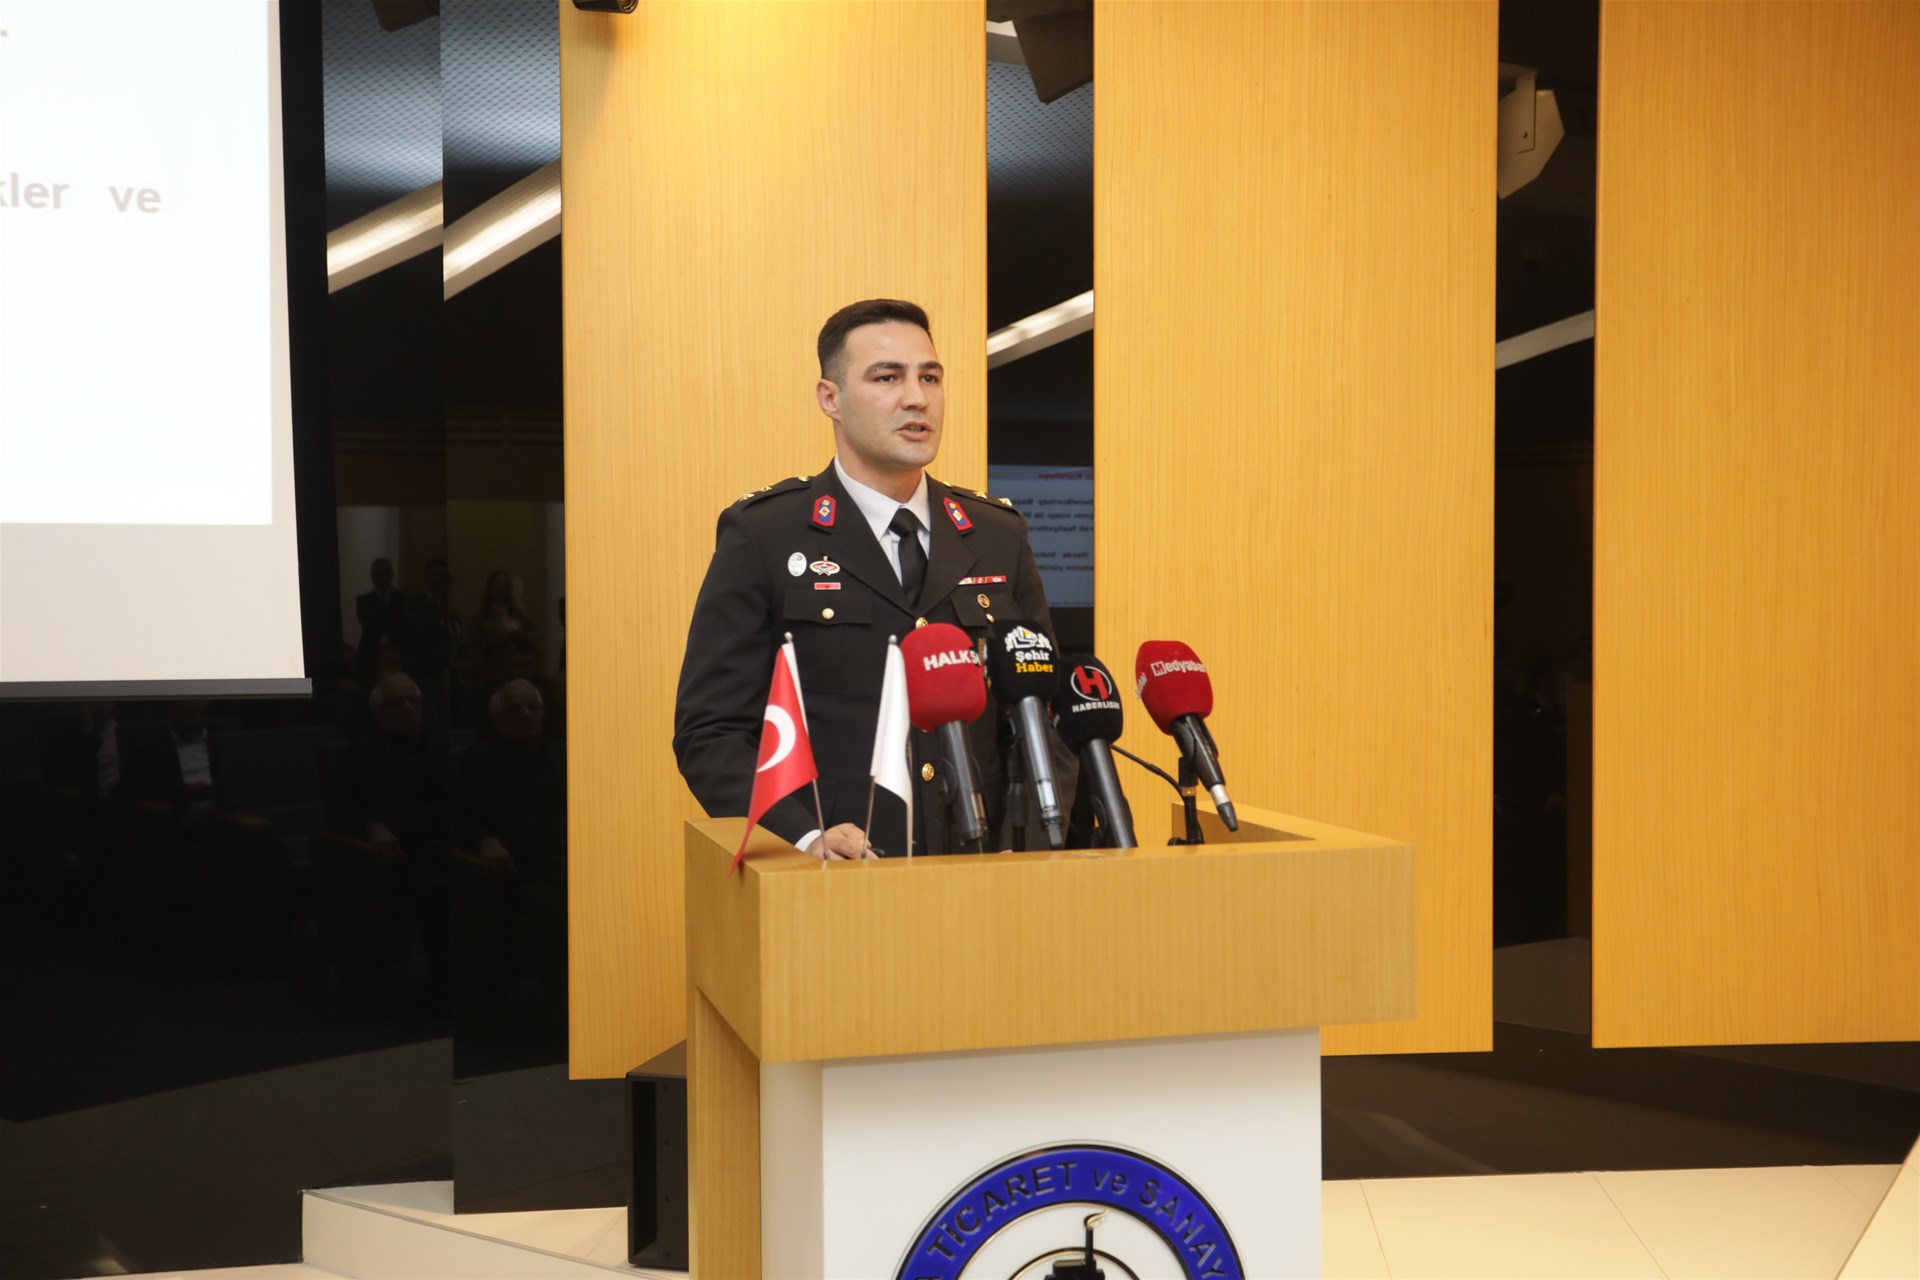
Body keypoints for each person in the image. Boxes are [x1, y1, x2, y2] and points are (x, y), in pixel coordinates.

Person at [673, 298, 1064, 860]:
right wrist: (805, 836)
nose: (917, 398)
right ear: (830, 399)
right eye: (887, 377)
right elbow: (712, 733)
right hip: (839, 880)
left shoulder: (996, 534)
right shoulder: (767, 535)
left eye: (930, 377)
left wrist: (1023, 849)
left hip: (985, 876)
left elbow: (1045, 720)